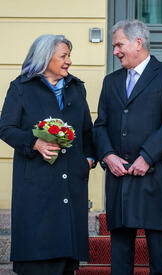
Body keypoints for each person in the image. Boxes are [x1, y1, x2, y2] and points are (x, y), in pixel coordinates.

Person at [93, 20, 162, 274]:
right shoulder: (111, 81)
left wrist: (146, 157)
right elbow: (100, 125)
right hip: (119, 175)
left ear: (138, 42)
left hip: (155, 175)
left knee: (161, 256)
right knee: (120, 258)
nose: (115, 51)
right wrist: (108, 155)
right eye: (113, 46)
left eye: (118, 45)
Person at [0, 34, 96, 275]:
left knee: (66, 260)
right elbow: (5, 128)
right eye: (63, 56)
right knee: (39, 257)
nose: (69, 61)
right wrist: (35, 143)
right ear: (45, 58)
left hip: (71, 182)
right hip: (36, 185)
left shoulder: (76, 87)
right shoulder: (21, 87)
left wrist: (89, 161)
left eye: (69, 56)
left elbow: (87, 132)